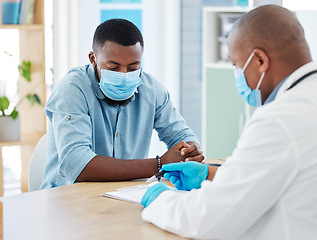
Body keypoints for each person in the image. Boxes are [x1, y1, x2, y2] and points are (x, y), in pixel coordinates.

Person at [141, 5, 317, 240]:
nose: (238, 76)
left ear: (260, 60)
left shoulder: (281, 119)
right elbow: (288, 173)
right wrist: (209, 174)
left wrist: (158, 198)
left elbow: (205, 221)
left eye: (237, 65)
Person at [40, 19, 204, 189]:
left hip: (123, 196)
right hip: (67, 200)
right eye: (113, 68)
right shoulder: (72, 89)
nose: (124, 75)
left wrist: (189, 151)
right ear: (93, 59)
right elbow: (77, 163)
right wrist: (159, 163)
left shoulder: (152, 90)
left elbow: (182, 136)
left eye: (133, 68)